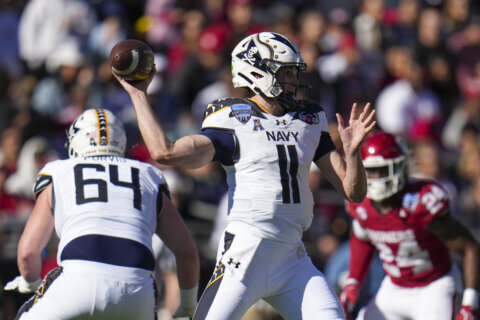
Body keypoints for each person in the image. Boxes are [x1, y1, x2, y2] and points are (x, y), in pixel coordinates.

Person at [115, 31, 376, 320]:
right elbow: (165, 152)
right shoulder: (234, 118)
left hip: (293, 257)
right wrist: (139, 95)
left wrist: (353, 155)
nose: (293, 79)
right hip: (246, 255)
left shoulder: (309, 119)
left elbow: (354, 192)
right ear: (257, 72)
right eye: (286, 71)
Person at [3, 108, 200, 320]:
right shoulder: (148, 175)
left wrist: (29, 282)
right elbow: (187, 252)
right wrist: (188, 306)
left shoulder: (59, 171)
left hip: (78, 283)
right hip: (136, 292)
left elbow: (27, 252)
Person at [340, 131, 480, 320]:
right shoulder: (361, 203)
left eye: (383, 170)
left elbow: (469, 247)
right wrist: (352, 284)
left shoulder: (423, 201)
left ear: (401, 167)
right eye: (371, 171)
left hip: (433, 287)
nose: (377, 177)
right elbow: (362, 238)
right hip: (394, 286)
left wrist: (470, 303)